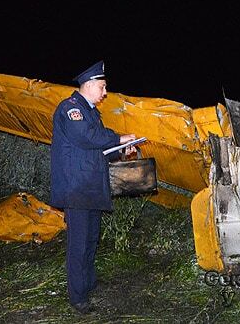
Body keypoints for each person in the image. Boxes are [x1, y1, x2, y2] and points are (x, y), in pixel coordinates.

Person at [50, 60, 136, 314]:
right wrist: (119, 137)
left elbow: (99, 149)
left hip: (90, 187)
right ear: (88, 85)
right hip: (76, 188)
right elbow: (87, 138)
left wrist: (120, 150)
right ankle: (78, 297)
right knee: (78, 244)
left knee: (90, 239)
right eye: (102, 87)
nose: (105, 93)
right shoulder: (70, 109)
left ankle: (87, 284)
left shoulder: (90, 113)